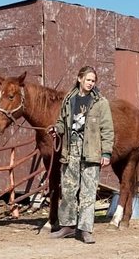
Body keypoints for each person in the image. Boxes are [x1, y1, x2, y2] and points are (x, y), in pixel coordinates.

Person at [48, 66, 114, 244]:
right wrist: (57, 129)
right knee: (68, 190)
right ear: (79, 79)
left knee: (88, 192)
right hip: (71, 150)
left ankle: (85, 229)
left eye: (93, 81)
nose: (91, 83)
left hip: (91, 151)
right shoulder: (69, 99)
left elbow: (107, 129)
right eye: (88, 80)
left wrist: (106, 152)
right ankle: (68, 226)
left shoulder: (101, 102)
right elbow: (62, 121)